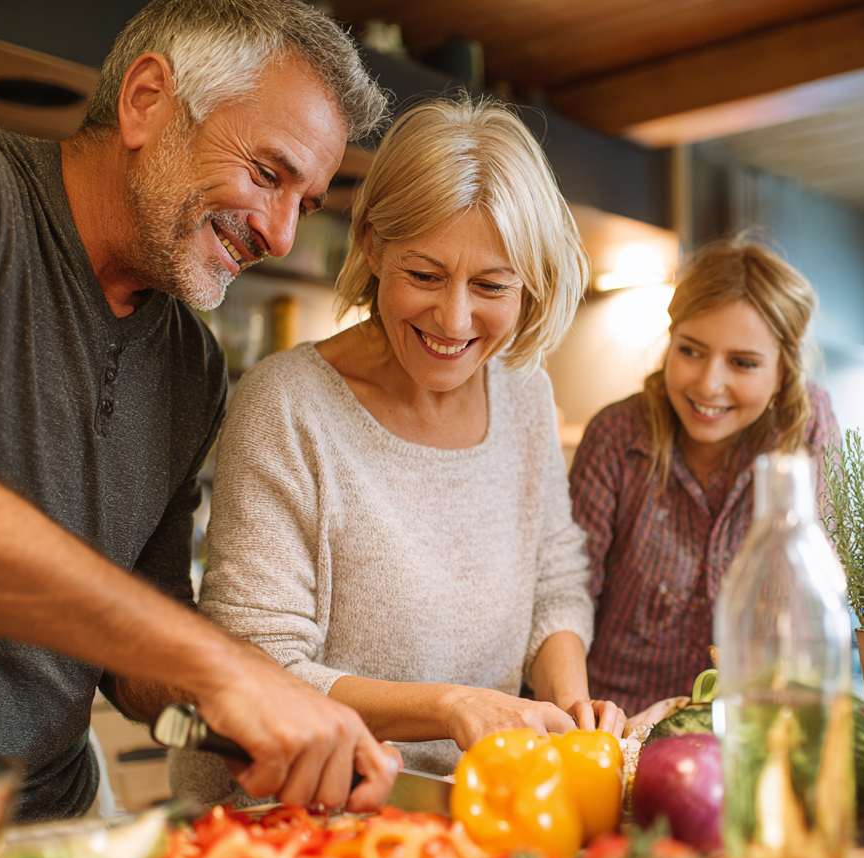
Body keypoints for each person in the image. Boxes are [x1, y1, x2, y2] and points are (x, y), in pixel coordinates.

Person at [0, 0, 400, 822]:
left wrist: (242, 705)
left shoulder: (193, 365)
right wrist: (217, 666)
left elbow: (135, 654)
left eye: (308, 202)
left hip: (51, 820)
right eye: (268, 173)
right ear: (147, 100)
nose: (283, 236)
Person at [171, 96, 625, 806]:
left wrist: (574, 711)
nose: (453, 319)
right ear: (374, 248)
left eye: (491, 285)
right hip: (286, 817)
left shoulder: (526, 397)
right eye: (425, 274)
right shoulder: (288, 406)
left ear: (530, 283)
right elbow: (259, 664)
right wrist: (452, 707)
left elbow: (555, 584)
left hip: (465, 810)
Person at [569, 240, 840, 712]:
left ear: (782, 371)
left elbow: (813, 596)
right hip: (613, 724)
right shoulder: (617, 435)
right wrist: (576, 713)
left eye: (743, 363)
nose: (709, 384)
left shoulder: (805, 424)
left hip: (743, 724)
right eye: (691, 351)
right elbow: (567, 597)